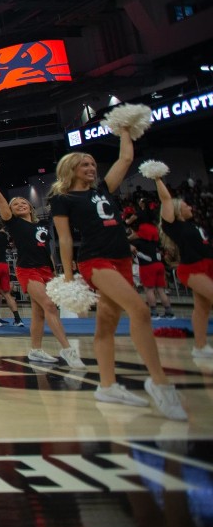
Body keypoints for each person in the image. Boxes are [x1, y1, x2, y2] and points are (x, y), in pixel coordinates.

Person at [49, 135, 185, 420]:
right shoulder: (63, 199)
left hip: (122, 257)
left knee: (106, 325)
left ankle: (108, 386)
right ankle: (159, 382)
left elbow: (125, 159)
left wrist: (125, 129)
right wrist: (69, 276)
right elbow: (63, 240)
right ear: (71, 168)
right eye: (84, 164)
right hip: (95, 259)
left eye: (93, 164)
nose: (91, 168)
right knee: (138, 310)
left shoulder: (104, 189)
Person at [0, 178, 83, 367]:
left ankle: (36, 350)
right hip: (27, 270)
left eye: (23, 203)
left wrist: (54, 272)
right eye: (15, 204)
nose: (20, 205)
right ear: (11, 211)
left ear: (31, 208)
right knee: (50, 306)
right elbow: (0, 200)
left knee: (39, 312)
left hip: (46, 269)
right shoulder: (12, 223)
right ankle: (67, 349)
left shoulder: (42, 225)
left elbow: (48, 250)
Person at [155, 175, 213, 359]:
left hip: (208, 266)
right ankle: (200, 346)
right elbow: (166, 200)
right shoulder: (174, 226)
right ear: (179, 209)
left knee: (202, 308)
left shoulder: (194, 225)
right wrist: (157, 178)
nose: (191, 207)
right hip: (192, 268)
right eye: (187, 205)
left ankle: (200, 346)